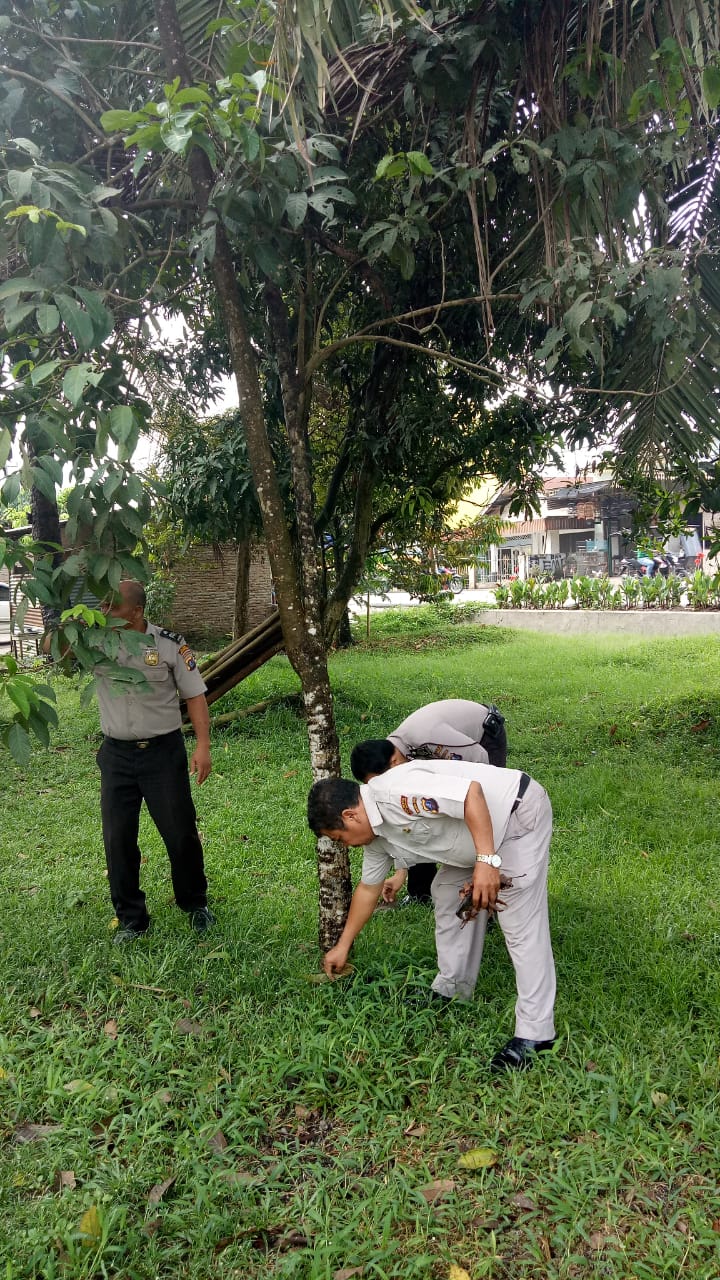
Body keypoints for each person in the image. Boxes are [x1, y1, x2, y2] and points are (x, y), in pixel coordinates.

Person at [307, 759, 556, 1072]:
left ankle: (537, 1034)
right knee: (448, 890)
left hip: (515, 815)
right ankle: (453, 988)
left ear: (350, 815)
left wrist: (487, 862)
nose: (348, 846)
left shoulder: (396, 793)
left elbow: (471, 795)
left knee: (518, 920)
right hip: (477, 838)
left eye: (341, 838)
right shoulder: (377, 839)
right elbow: (368, 891)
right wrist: (343, 945)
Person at [91, 581, 215, 943]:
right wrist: (69, 626)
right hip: (116, 755)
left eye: (111, 607)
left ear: (136, 612)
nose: (104, 612)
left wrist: (203, 745)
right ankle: (131, 919)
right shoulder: (97, 643)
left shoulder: (170, 645)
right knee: (118, 839)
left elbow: (195, 696)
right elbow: (52, 648)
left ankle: (195, 904)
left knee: (180, 834)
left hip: (163, 753)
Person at [350, 699, 507, 903]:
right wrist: (401, 872)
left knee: (479, 812)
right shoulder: (394, 752)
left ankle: (489, 889)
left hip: (482, 737)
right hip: (445, 751)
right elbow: (409, 825)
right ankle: (420, 893)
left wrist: (482, 854)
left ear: (394, 763)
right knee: (418, 813)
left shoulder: (426, 739)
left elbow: (480, 764)